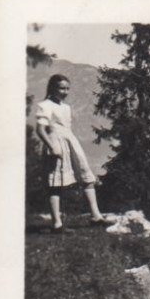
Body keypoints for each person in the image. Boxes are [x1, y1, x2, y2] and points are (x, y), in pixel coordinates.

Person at [35, 74, 108, 231]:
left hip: (70, 142)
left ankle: (96, 216)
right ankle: (57, 224)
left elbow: (65, 128)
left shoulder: (66, 107)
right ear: (53, 88)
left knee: (87, 176)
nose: (65, 92)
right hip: (55, 144)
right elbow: (40, 129)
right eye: (61, 88)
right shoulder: (45, 105)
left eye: (67, 88)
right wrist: (51, 146)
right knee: (55, 184)